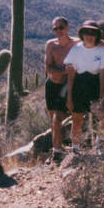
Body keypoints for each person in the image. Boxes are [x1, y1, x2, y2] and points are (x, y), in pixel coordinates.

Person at [64, 20, 104, 154]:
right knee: (77, 118)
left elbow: (103, 75)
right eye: (86, 32)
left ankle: (100, 145)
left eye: (93, 33)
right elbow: (71, 75)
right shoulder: (76, 50)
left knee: (103, 116)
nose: (89, 36)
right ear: (82, 34)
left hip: (95, 85)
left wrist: (102, 99)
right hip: (78, 85)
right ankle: (76, 148)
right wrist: (69, 98)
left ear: (97, 35)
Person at [44, 16, 78, 163]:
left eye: (61, 27)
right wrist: (65, 70)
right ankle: (56, 149)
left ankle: (57, 153)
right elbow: (48, 67)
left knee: (57, 118)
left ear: (67, 27)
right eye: (55, 28)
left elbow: (95, 44)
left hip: (65, 85)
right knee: (52, 119)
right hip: (51, 84)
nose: (58, 30)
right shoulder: (51, 45)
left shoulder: (76, 43)